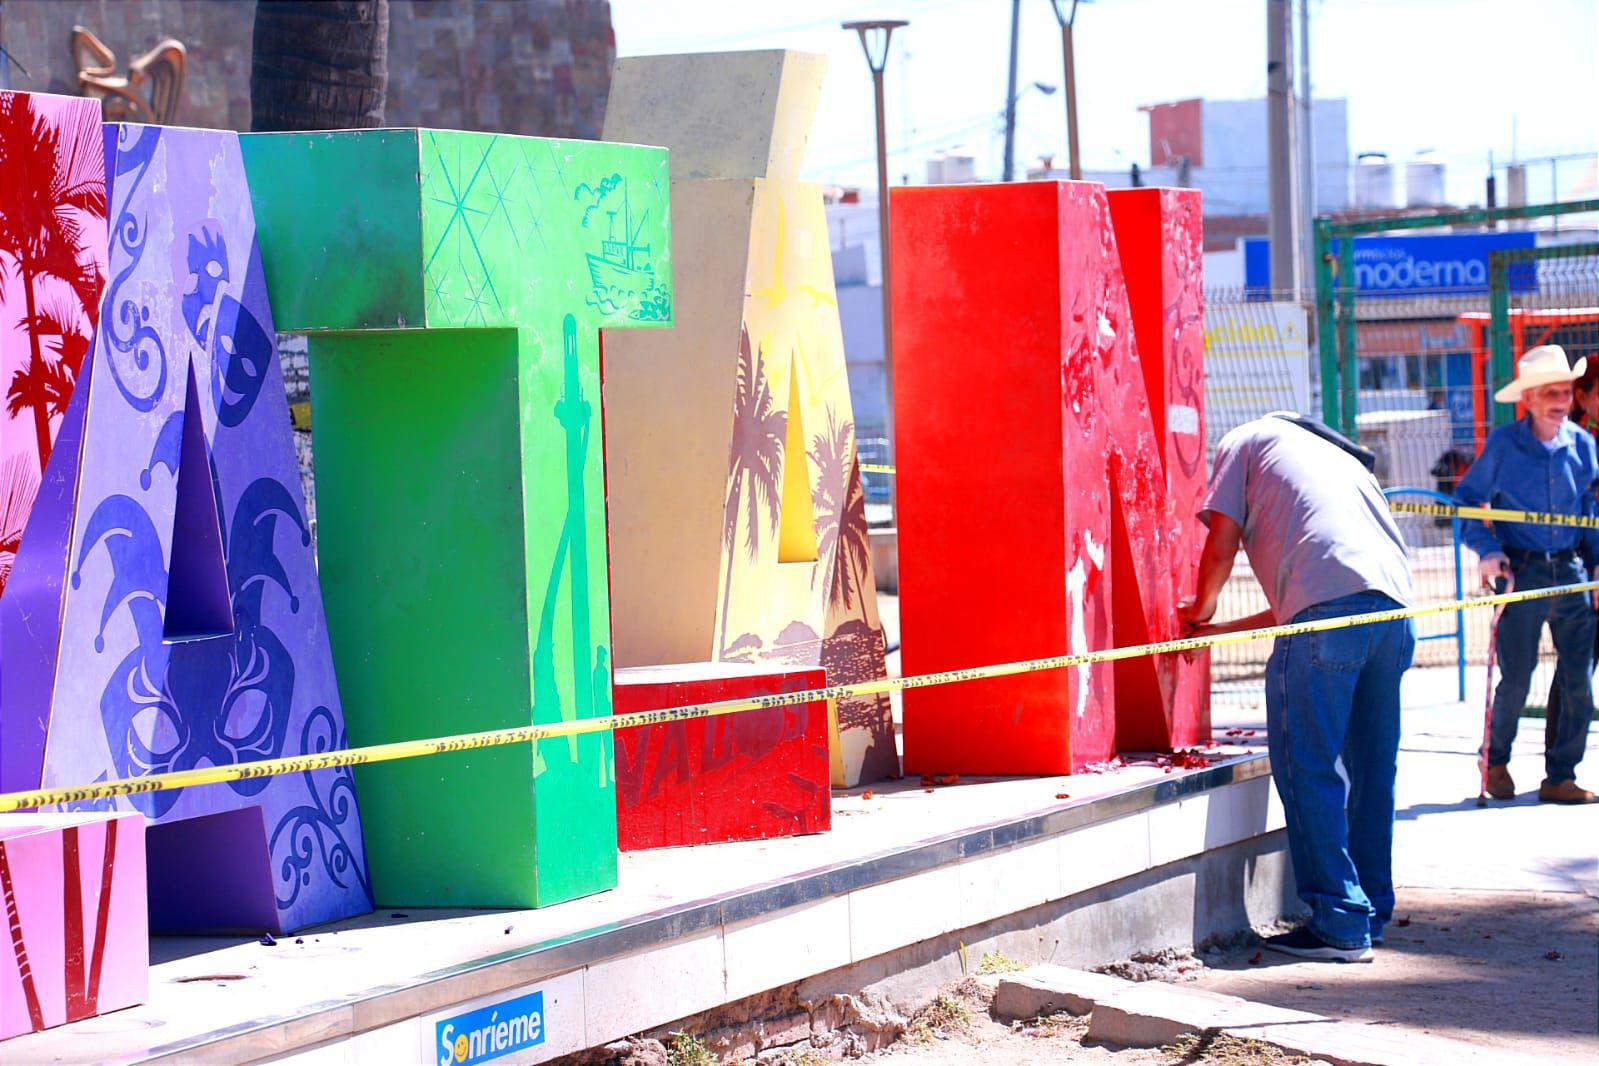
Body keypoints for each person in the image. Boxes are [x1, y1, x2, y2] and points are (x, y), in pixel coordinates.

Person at [1179, 413, 1415, 963]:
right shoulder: (1339, 463)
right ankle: (1369, 910)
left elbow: (1221, 544)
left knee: (1307, 766)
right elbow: (1317, 600)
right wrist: (1217, 633)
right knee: (1373, 770)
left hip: (1329, 619)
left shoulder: (1244, 440)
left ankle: (1337, 921)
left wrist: (1198, 610)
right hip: (1395, 616)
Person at [1454, 345, 1599, 805]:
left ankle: (1561, 776)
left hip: (1573, 572)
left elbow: (1591, 509)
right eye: (1551, 392)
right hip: (1522, 570)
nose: (1562, 400)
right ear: (1529, 399)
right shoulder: (1503, 444)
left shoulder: (1584, 445)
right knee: (1516, 677)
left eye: (1566, 391)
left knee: (1579, 680)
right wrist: (1488, 550)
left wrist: (1597, 562)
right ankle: (1495, 761)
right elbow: (1466, 503)